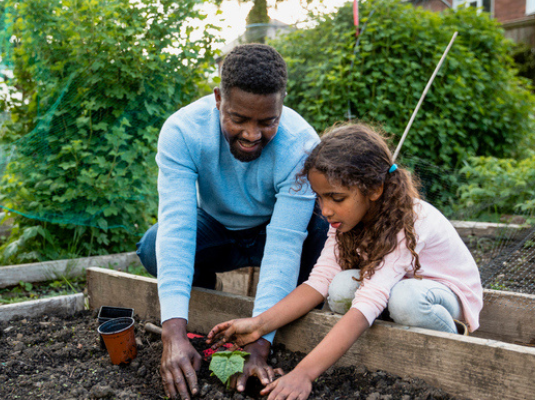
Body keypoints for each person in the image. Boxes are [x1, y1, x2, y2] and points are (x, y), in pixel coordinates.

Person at [207, 123, 483, 400]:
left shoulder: (409, 220)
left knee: (405, 299)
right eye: (320, 197)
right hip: (394, 288)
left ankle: (456, 346)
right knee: (339, 287)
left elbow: (370, 300)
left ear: (374, 189)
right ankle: (393, 345)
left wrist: (304, 373)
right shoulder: (344, 220)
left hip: (445, 296)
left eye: (336, 198)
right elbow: (319, 281)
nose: (325, 210)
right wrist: (258, 324)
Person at [135, 44, 329, 400]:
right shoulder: (182, 131)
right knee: (152, 246)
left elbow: (285, 245)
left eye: (267, 122)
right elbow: (177, 226)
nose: (252, 134)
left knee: (323, 226)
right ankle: (205, 302)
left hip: (275, 231)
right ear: (218, 100)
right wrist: (173, 332)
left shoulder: (300, 145)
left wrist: (259, 347)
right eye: (238, 119)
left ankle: (300, 314)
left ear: (280, 109)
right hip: (217, 228)